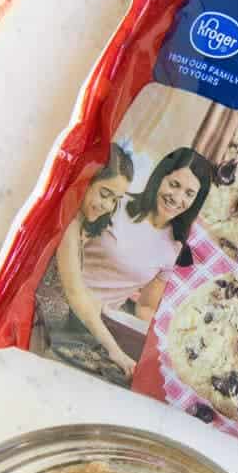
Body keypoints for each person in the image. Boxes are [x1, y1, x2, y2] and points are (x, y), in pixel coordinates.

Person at [40, 146, 212, 381]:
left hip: (98, 329)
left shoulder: (173, 248)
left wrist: (167, 345)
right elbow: (69, 259)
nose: (178, 198)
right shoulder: (114, 204)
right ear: (159, 177)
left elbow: (146, 307)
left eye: (189, 194)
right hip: (60, 307)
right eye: (174, 185)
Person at [35, 144, 136, 375]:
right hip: (38, 332)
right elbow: (74, 293)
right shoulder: (69, 226)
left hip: (54, 330)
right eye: (104, 193)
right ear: (86, 179)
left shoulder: (79, 223)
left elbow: (67, 284)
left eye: (115, 200)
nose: (107, 206)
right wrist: (115, 350)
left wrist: (101, 306)